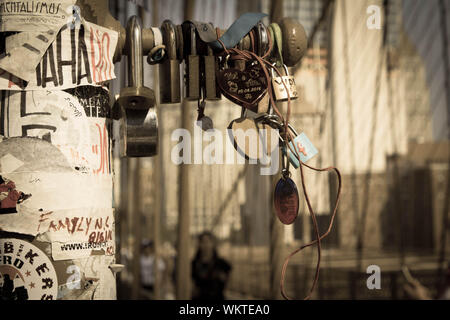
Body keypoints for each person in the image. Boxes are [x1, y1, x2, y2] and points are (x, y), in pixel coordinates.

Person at [191, 232, 232, 300]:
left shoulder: (221, 264)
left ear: (213, 244)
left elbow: (228, 279)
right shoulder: (193, 264)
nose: (206, 245)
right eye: (203, 242)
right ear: (199, 244)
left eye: (208, 241)